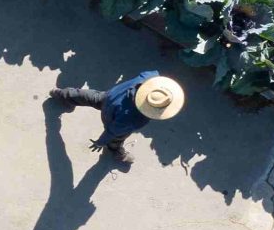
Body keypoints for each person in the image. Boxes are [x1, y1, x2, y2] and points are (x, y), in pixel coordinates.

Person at [48, 70, 183, 166]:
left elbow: (149, 73)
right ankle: (115, 150)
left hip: (111, 96)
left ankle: (59, 93)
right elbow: (113, 130)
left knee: (85, 96)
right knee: (117, 137)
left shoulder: (150, 76)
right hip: (112, 115)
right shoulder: (135, 118)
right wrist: (100, 142)